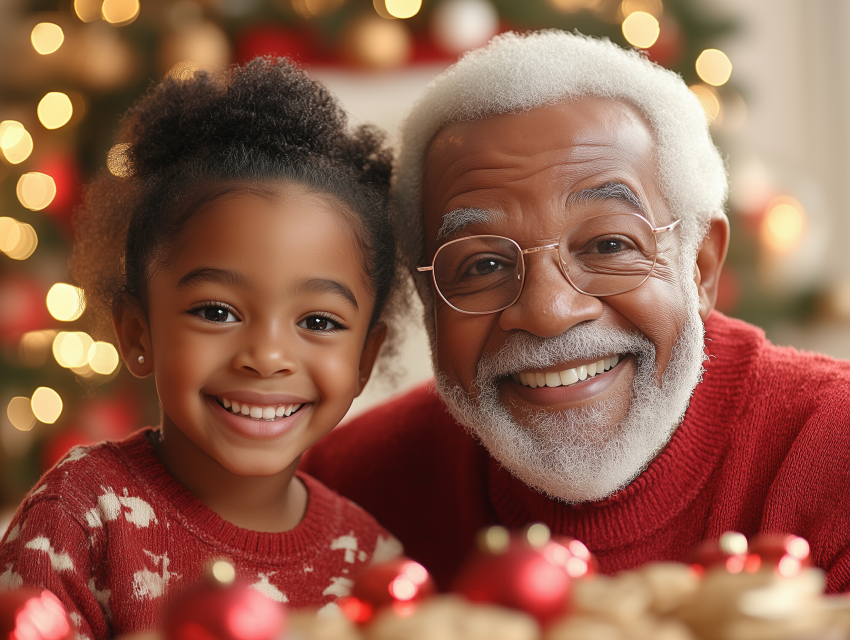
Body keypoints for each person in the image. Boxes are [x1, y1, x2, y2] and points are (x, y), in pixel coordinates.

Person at [302, 31, 850, 593]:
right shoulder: (348, 489)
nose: (547, 312)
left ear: (701, 266)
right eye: (483, 265)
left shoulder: (835, 451)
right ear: (428, 303)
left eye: (608, 246)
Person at [0, 58, 405, 638]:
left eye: (317, 320)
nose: (266, 356)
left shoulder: (373, 560)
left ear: (365, 360)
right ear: (138, 334)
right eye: (216, 312)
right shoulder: (79, 516)